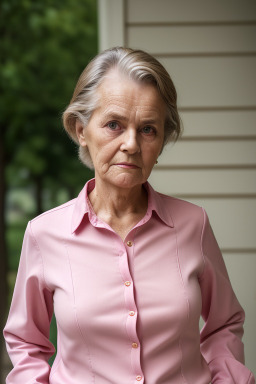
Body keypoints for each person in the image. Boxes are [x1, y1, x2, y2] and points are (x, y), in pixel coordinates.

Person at [3, 47, 255, 384]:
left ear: (162, 139)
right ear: (81, 130)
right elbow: (25, 341)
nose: (132, 144)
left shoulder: (193, 224)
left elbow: (224, 323)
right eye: (113, 125)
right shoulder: (44, 234)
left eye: (148, 129)